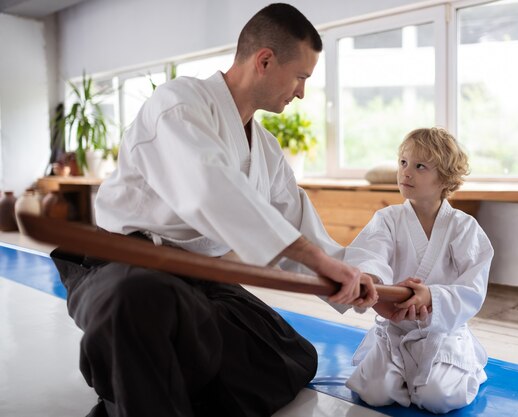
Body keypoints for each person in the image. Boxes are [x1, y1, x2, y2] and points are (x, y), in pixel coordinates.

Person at [50, 4, 378, 417]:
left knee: (291, 356)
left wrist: (374, 290)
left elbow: (301, 230)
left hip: (200, 282)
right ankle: (142, 369)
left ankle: (144, 371)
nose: (301, 92)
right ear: (264, 60)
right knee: (138, 302)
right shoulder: (177, 103)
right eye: (301, 77)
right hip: (124, 269)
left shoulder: (268, 152)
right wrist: (310, 256)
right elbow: (209, 187)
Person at [344, 127, 494, 414]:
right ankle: (399, 374)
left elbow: (473, 288)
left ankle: (467, 365)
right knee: (376, 393)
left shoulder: (464, 228)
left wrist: (431, 297)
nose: (406, 173)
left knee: (438, 397)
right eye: (403, 162)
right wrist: (374, 283)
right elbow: (369, 256)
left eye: (419, 166)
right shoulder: (387, 219)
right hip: (397, 325)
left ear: (445, 178)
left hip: (442, 330)